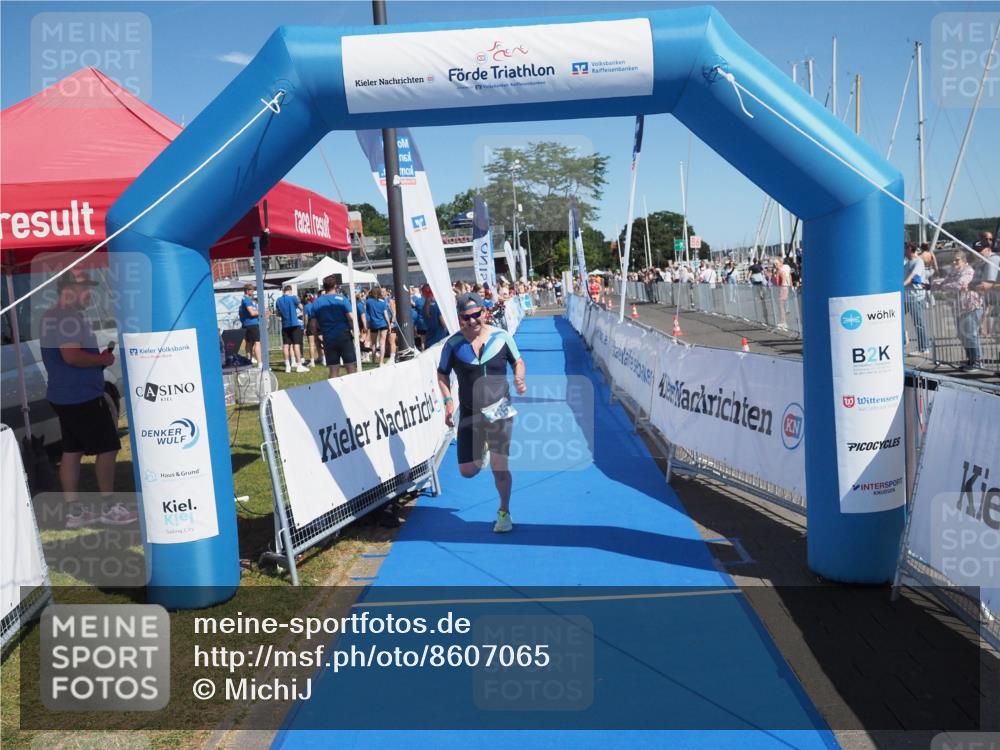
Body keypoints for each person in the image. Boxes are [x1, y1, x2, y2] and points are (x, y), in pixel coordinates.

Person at [39, 270, 135, 529]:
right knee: (107, 447)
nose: (89, 294)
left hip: (64, 394)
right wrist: (102, 360)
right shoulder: (67, 318)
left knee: (72, 451)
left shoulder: (53, 316)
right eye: (85, 288)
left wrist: (96, 360)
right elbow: (71, 356)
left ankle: (75, 512)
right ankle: (109, 507)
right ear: (68, 289)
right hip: (81, 395)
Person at [437, 292, 527, 533]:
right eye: (466, 318)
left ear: (484, 313)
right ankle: (482, 448)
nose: (472, 321)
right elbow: (442, 373)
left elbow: (517, 361)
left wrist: (519, 378)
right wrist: (447, 401)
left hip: (500, 410)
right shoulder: (453, 345)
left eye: (476, 315)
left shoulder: (501, 337)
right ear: (459, 319)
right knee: (468, 472)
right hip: (469, 411)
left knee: (499, 467)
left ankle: (504, 512)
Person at [932, 250, 985, 372]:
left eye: (957, 260)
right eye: (953, 260)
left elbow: (960, 284)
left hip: (971, 306)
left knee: (971, 334)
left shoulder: (968, 270)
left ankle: (978, 361)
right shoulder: (953, 272)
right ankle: (971, 360)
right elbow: (944, 281)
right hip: (959, 308)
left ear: (964, 260)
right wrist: (932, 285)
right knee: (962, 335)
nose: (954, 262)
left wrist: (942, 286)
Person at [311, 275, 357, 378]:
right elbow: (351, 318)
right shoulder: (342, 299)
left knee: (333, 369)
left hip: (328, 337)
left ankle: (332, 393)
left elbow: (313, 325)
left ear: (324, 287)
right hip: (344, 335)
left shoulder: (317, 302)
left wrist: (317, 338)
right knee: (350, 367)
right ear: (335, 286)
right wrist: (356, 333)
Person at [275, 285, 309, 373]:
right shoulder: (293, 298)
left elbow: (278, 314)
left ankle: (287, 366)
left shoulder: (278, 300)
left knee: (286, 345)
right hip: (294, 324)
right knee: (296, 345)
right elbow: (302, 308)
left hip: (285, 325)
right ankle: (299, 366)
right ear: (290, 291)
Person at [903, 243, 929, 353]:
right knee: (896, 319)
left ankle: (924, 348)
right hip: (906, 297)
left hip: (915, 297)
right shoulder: (906, 263)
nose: (903, 252)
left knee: (918, 323)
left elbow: (912, 276)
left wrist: (901, 285)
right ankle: (904, 340)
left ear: (909, 249)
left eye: (904, 249)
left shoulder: (918, 261)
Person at [365, 287, 393, 366]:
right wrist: (389, 324)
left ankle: (373, 362)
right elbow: (386, 314)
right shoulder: (383, 302)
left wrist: (367, 324)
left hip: (373, 324)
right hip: (383, 324)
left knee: (373, 343)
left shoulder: (368, 302)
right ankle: (381, 362)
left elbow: (367, 314)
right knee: (382, 343)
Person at [238, 283, 262, 366]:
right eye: (252, 290)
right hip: (252, 324)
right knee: (257, 343)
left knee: (249, 344)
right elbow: (252, 313)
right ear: (247, 291)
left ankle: (248, 363)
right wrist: (261, 312)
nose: (253, 292)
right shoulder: (247, 300)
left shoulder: (243, 299)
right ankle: (260, 364)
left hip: (246, 324)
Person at [303, 292, 324, 367]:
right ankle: (323, 359)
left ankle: (312, 362)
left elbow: (305, 318)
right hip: (318, 323)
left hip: (311, 323)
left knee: (311, 344)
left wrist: (305, 327)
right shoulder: (316, 305)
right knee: (320, 341)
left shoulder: (306, 306)